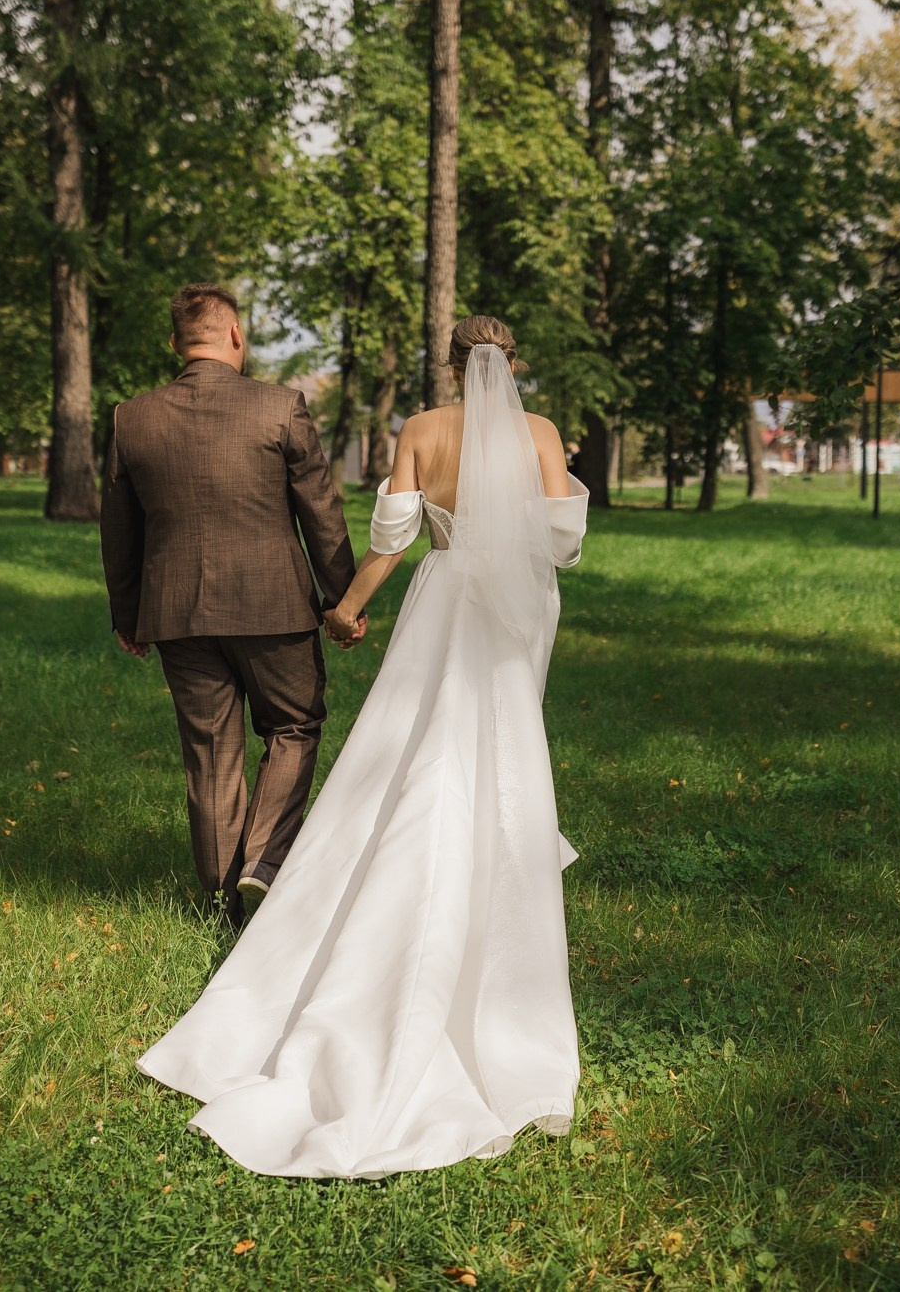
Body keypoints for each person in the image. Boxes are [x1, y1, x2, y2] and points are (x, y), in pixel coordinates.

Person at [139, 315, 591, 1179]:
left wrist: (346, 608)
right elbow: (564, 544)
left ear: (452, 365)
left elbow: (393, 539)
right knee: (500, 742)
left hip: (443, 594)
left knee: (418, 740)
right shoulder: (541, 433)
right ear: (512, 362)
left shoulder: (420, 429)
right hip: (519, 607)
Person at [99, 283, 362, 927]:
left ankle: (221, 906)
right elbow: (321, 511)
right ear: (236, 335)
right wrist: (343, 599)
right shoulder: (280, 407)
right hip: (275, 609)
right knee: (293, 726)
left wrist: (127, 615)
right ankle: (263, 860)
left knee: (211, 754)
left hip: (176, 614)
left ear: (176, 344)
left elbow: (119, 530)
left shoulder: (132, 417)